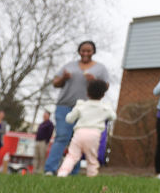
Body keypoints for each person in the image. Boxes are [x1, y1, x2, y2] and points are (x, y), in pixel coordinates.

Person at [43, 41, 110, 175]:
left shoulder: (100, 69)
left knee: (78, 141)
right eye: (83, 50)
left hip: (87, 109)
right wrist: (64, 78)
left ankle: (73, 172)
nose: (85, 53)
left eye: (88, 51)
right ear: (79, 51)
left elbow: (106, 86)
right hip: (65, 106)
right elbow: (55, 83)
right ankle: (50, 170)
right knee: (62, 137)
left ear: (93, 52)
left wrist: (94, 80)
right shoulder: (69, 66)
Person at [56, 79, 117, 178]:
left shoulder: (81, 105)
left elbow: (69, 119)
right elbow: (113, 117)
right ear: (103, 95)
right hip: (94, 135)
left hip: (79, 133)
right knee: (91, 158)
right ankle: (91, 176)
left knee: (72, 156)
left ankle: (62, 173)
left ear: (87, 93)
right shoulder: (105, 107)